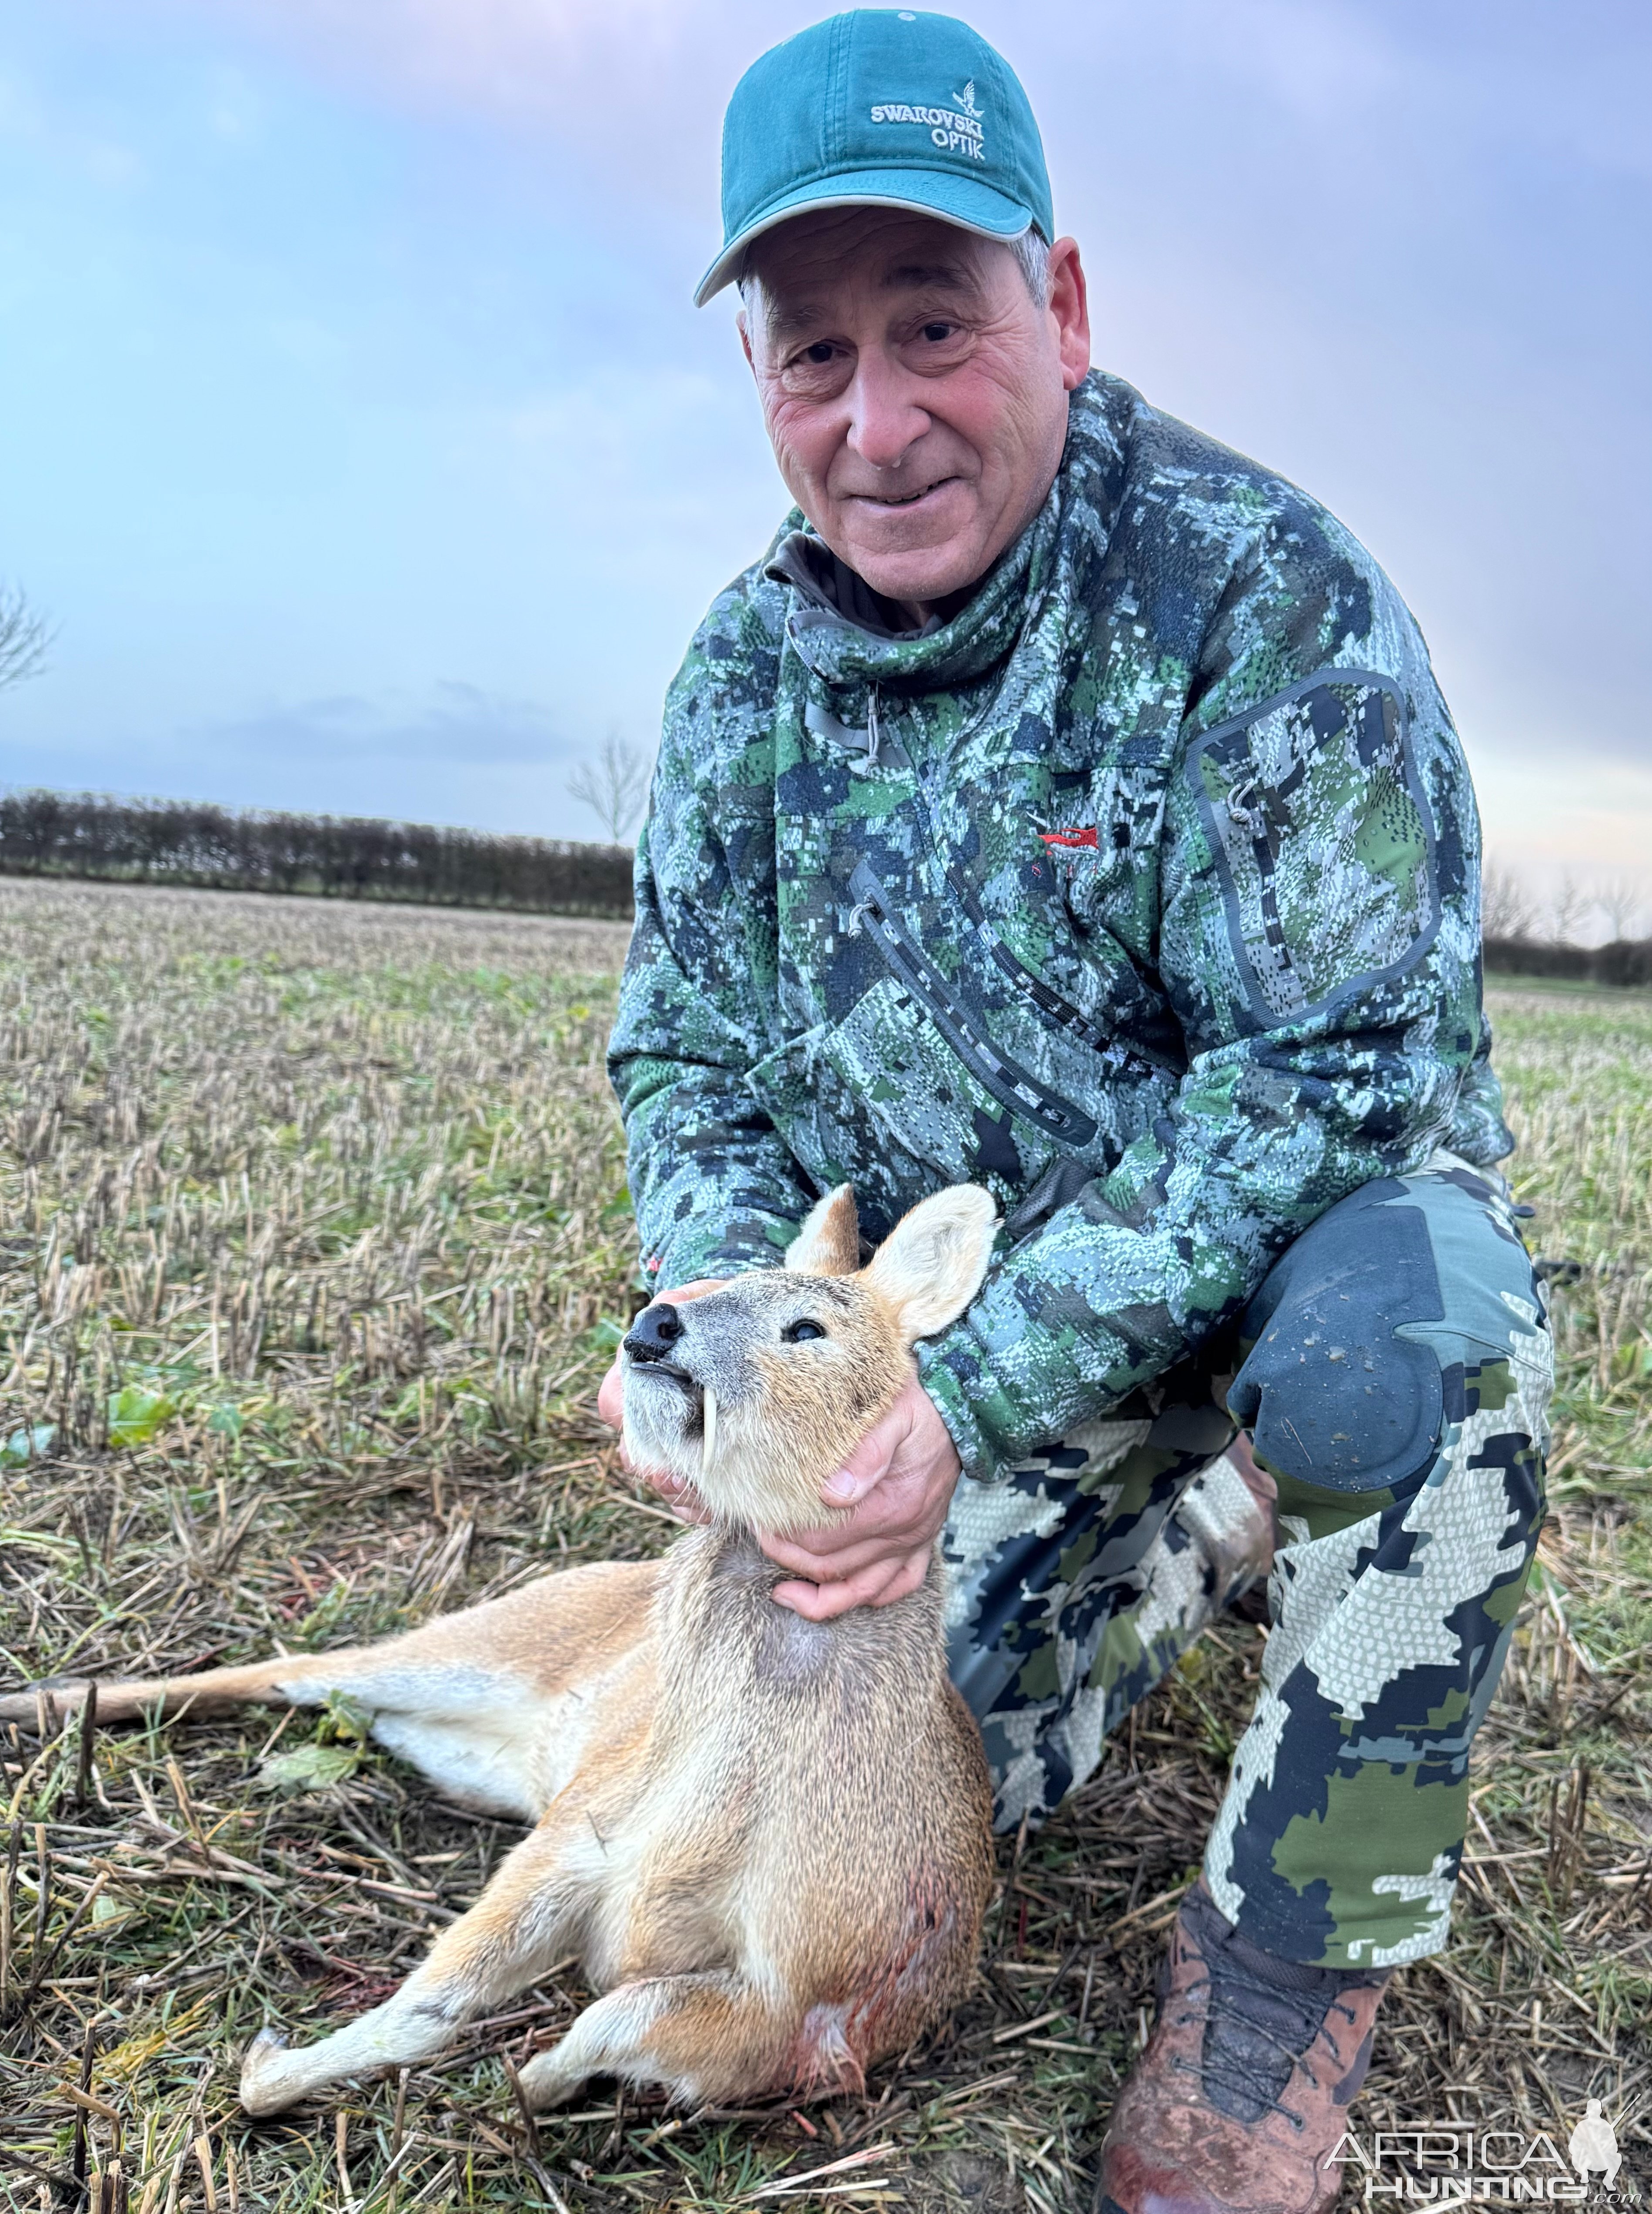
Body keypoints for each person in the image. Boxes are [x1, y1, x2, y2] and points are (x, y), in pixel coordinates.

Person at [597, 14, 1552, 2214]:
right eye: (811, 354)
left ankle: (1290, 1955)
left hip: (1252, 1282)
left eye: (937, 325)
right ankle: (1183, 1540)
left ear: (1069, 306)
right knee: (934, 1788)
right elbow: (689, 1058)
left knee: (1427, 1357)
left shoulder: (1260, 599)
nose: (877, 417)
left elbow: (1335, 1070)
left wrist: (980, 1382)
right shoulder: (741, 683)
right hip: (931, 1351)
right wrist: (721, 1346)